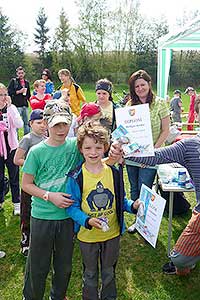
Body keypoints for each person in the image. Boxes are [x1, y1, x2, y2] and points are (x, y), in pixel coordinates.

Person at [21, 100, 116, 300]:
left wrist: (113, 154)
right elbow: (26, 184)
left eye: (65, 124)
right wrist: (50, 196)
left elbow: (95, 162)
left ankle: (58, 295)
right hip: (43, 216)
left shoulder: (75, 146)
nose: (61, 129)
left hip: (67, 217)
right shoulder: (36, 152)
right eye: (56, 125)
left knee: (64, 266)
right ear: (46, 124)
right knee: (38, 265)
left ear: (71, 122)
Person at [110, 95, 200, 276]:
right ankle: (186, 261)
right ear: (196, 116)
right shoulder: (190, 145)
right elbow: (156, 156)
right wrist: (124, 155)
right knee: (179, 261)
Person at [66, 122, 140, 300]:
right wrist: (87, 220)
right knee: (90, 273)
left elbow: (120, 200)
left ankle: (109, 297)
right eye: (88, 147)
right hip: (88, 236)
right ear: (81, 149)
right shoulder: (76, 176)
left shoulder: (113, 173)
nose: (93, 152)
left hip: (112, 234)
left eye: (98, 147)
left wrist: (133, 206)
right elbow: (71, 206)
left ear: (105, 147)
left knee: (109, 271)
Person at [125, 70, 170, 233]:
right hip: (132, 156)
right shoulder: (130, 105)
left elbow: (166, 130)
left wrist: (153, 152)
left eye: (143, 84)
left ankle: (146, 223)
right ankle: (138, 221)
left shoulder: (159, 103)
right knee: (134, 189)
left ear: (149, 85)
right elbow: (125, 131)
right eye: (136, 86)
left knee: (145, 188)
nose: (140, 88)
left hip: (151, 156)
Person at [14, 109, 46, 257]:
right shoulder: (27, 139)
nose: (42, 125)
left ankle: (40, 241)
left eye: (45, 122)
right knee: (26, 213)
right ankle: (25, 242)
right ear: (31, 123)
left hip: (43, 183)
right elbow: (17, 159)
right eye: (39, 123)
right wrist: (33, 163)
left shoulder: (47, 138)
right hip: (29, 183)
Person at [0, 83, 23, 215]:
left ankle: (17, 203)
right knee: (0, 177)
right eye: (0, 95)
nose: (3, 97)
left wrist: (9, 108)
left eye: (5, 94)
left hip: (11, 147)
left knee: (14, 176)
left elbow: (19, 124)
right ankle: (1, 199)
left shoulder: (11, 108)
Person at [8, 66, 31, 135]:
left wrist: (31, 102)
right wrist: (19, 91)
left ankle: (26, 138)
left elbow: (29, 94)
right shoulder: (13, 81)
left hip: (25, 105)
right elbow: (9, 92)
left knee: (26, 123)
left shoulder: (26, 82)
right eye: (19, 73)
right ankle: (15, 139)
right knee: (16, 123)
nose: (21, 74)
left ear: (24, 73)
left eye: (22, 73)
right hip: (17, 105)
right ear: (17, 74)